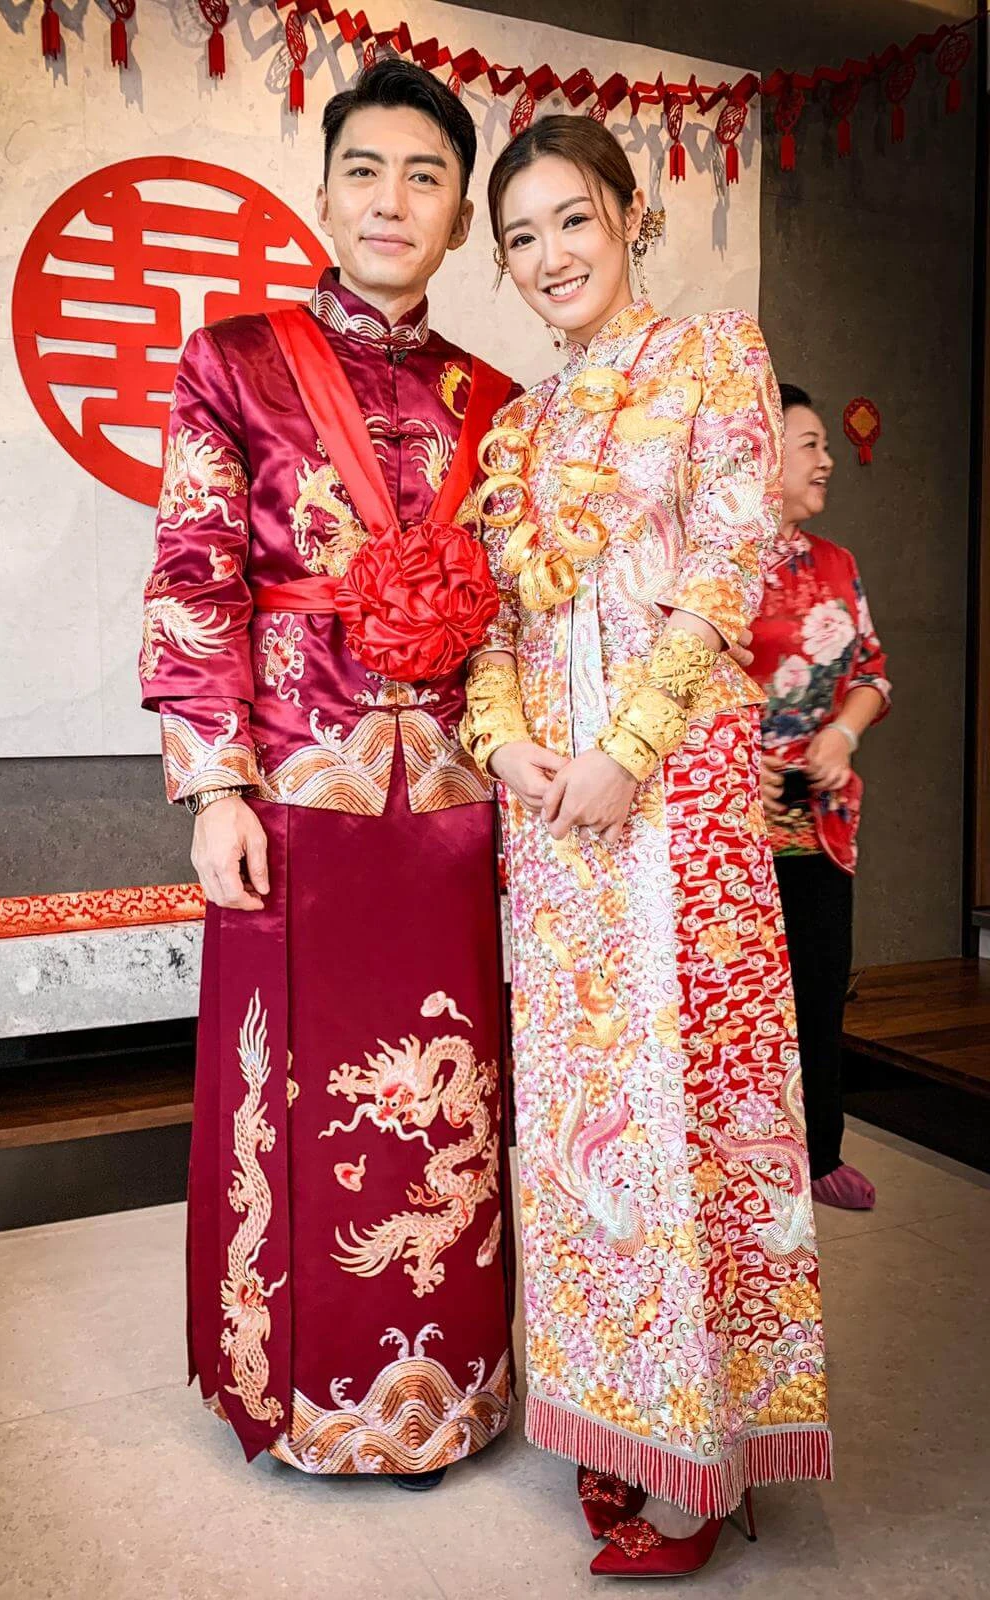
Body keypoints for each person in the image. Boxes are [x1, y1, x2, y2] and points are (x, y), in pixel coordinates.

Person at [460, 116, 832, 1577]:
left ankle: (707, 1451)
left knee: (691, 1113)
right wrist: (510, 747)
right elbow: (493, 622)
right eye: (523, 237)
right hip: (554, 820)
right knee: (582, 1130)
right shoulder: (516, 428)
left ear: (630, 215)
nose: (552, 255)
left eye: (574, 219)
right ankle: (622, 1417)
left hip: (678, 801)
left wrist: (628, 749)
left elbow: (732, 561)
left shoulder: (714, 356)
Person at [139, 61, 517, 1487]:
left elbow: (522, 618)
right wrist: (213, 784)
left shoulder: (502, 401)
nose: (392, 201)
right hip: (295, 795)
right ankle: (295, 1396)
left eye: (427, 177)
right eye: (367, 170)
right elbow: (195, 576)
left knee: (454, 1108)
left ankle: (453, 1389)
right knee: (288, 1101)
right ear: (324, 193)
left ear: (461, 215)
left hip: (462, 814)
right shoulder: (234, 359)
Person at [750, 386, 891, 1211]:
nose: (827, 459)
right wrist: (735, 757)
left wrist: (843, 732)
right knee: (739, 1003)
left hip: (822, 818)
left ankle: (820, 1152)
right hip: (731, 819)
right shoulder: (710, 565)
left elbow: (871, 672)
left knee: (818, 985)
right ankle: (742, 1162)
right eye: (808, 444)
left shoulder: (836, 562)